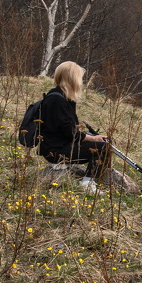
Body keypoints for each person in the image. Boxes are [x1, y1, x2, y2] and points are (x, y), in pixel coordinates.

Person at [38, 61, 110, 194]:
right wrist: (92, 138)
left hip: (60, 146)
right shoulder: (57, 100)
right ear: (72, 79)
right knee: (102, 147)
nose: (81, 81)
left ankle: (91, 180)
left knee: (102, 144)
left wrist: (91, 137)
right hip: (55, 151)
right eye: (80, 78)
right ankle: (87, 183)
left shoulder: (63, 98)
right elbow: (69, 132)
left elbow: (69, 130)